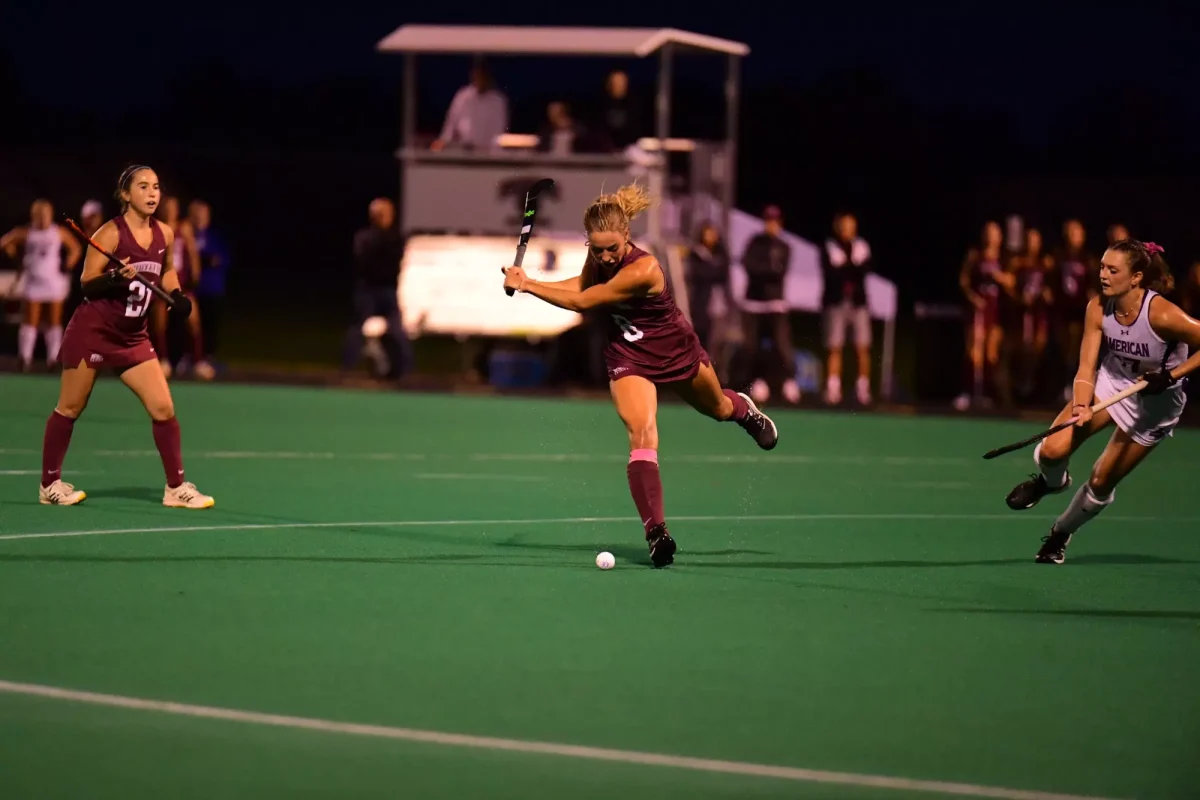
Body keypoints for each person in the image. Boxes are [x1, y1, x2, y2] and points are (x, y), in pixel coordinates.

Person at [501, 184, 779, 568]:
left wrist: (528, 285)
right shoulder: (598, 256)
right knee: (643, 434)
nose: (605, 256)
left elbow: (586, 301)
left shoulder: (644, 268)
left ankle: (744, 410)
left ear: (627, 235)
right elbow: (583, 284)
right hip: (628, 356)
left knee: (716, 407)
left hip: (675, 350)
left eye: (612, 248)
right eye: (597, 249)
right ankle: (656, 534)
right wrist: (530, 279)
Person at [1004, 239, 1200, 564]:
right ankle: (1051, 482)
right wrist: (1081, 404)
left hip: (1154, 407)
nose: (1103, 275)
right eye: (1102, 267)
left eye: (1113, 269)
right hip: (1111, 386)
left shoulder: (1162, 314)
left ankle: (1059, 534)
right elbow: (1086, 367)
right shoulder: (1098, 307)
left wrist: (1172, 375)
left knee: (1099, 481)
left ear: (1136, 277)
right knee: (1052, 450)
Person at [39, 165, 215, 509]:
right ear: (125, 195)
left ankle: (175, 488)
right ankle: (49, 484)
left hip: (133, 338)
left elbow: (167, 271)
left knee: (163, 407)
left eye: (156, 187)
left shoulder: (165, 233)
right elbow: (87, 282)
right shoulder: (110, 234)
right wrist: (115, 277)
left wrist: (177, 296)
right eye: (143, 187)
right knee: (70, 407)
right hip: (93, 332)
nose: (152, 194)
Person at [0, 199, 82, 370]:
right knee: (30, 319)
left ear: (51, 215)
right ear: (33, 215)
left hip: (53, 281)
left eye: (46, 214)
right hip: (33, 281)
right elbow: (6, 242)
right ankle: (25, 358)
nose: (43, 218)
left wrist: (67, 265)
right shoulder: (26, 232)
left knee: (54, 320)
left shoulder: (58, 232)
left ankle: (53, 359)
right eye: (39, 214)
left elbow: (75, 248)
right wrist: (15, 255)